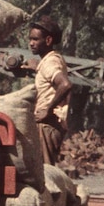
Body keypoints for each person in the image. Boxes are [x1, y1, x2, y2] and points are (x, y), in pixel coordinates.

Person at [26, 16, 74, 165]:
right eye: (30, 39)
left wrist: (48, 109)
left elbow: (65, 85)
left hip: (48, 124)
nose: (31, 43)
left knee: (45, 171)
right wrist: (37, 68)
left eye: (35, 39)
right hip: (49, 124)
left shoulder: (50, 62)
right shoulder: (49, 61)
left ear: (48, 41)